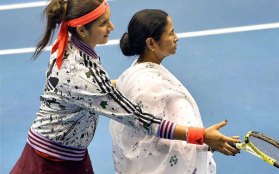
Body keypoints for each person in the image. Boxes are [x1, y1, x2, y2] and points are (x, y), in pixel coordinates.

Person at [10, 0, 240, 174]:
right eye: (103, 23)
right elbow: (140, 119)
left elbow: (92, 93)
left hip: (72, 156)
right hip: (48, 164)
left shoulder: (72, 48)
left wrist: (133, 79)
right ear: (82, 30)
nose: (112, 26)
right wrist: (200, 136)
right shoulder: (82, 74)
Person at [109, 9, 232, 174]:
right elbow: (154, 136)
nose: (176, 37)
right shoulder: (148, 85)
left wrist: (206, 141)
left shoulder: (135, 71)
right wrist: (203, 138)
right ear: (151, 44)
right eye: (171, 33)